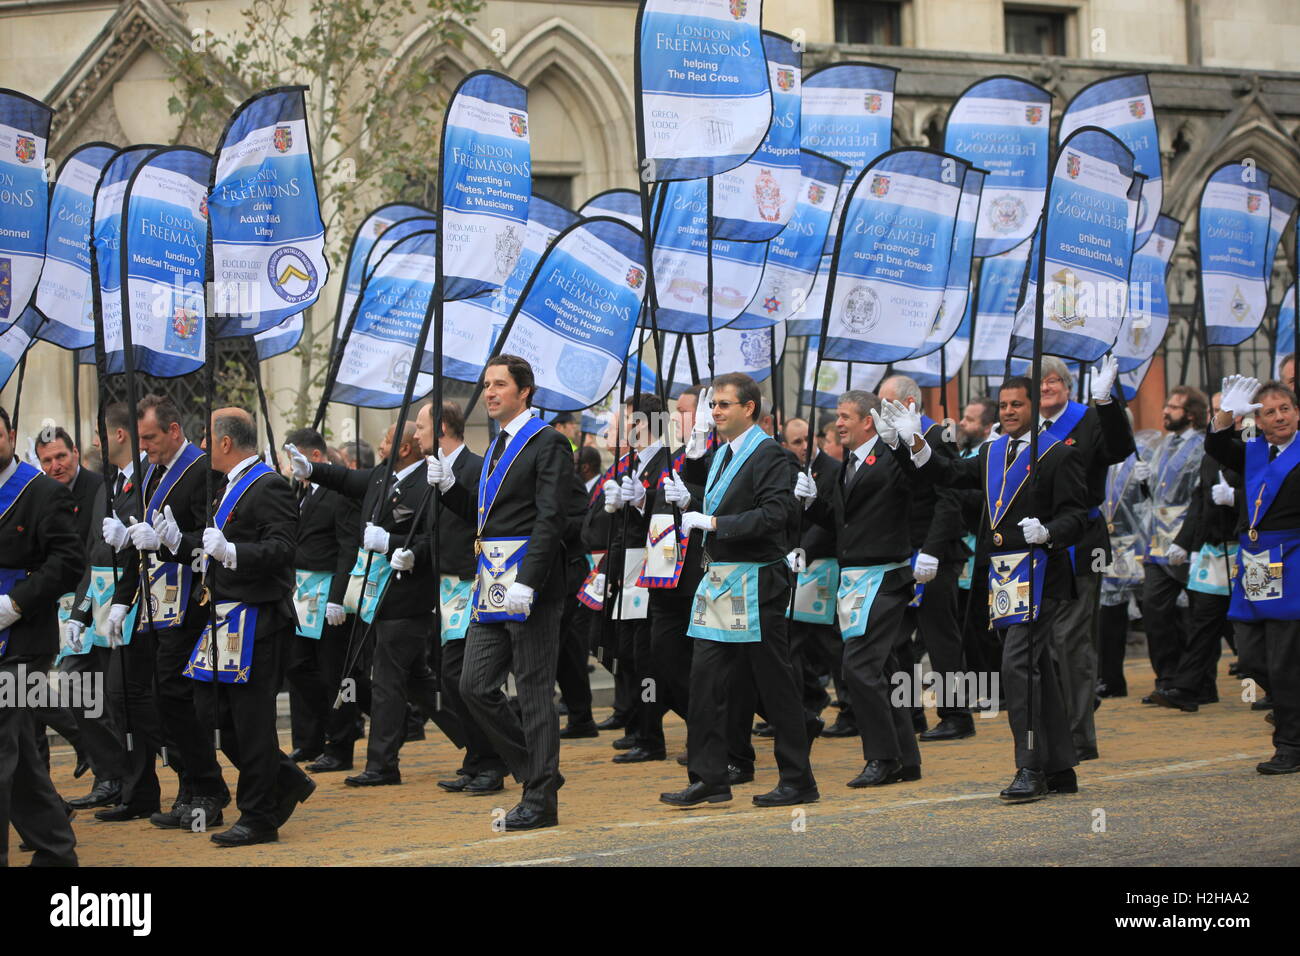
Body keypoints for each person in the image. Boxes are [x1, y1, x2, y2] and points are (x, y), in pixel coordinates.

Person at [886, 377, 1088, 802]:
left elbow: (1077, 515)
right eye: (1004, 405)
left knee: (1017, 666)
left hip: (1042, 571)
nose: (1009, 412)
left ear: (1034, 408)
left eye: (1017, 404)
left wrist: (1049, 531)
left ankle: (1029, 766)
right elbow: (948, 474)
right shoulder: (991, 451)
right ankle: (1060, 766)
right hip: (1003, 575)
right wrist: (915, 444)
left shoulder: (1057, 454)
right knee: (1037, 671)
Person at [148, 407, 314, 845]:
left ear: (224, 442)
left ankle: (258, 815)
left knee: (251, 720)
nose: (202, 448)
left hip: (258, 617)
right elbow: (209, 549)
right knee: (211, 711)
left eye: (207, 439)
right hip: (223, 615)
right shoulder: (228, 486)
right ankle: (285, 779)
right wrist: (174, 543)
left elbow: (282, 549)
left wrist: (234, 551)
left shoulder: (268, 485)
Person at [427, 354, 574, 829]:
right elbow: (487, 514)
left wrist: (529, 582)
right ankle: (538, 772)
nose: (489, 393)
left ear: (524, 391)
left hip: (529, 585)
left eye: (499, 385)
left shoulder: (548, 443)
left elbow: (550, 518)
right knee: (473, 684)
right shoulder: (495, 445)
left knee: (533, 691)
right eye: (486, 384)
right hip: (491, 583)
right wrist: (451, 488)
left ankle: (540, 800)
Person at [659, 372, 817, 808]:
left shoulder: (771, 456)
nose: (715, 412)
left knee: (774, 684)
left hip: (758, 582)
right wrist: (690, 496)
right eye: (713, 405)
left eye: (724, 404)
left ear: (749, 408)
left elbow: (775, 515)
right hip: (719, 581)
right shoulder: (721, 455)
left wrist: (712, 523)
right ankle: (710, 775)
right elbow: (720, 502)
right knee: (704, 682)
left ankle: (798, 777)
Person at [287, 417, 460, 786]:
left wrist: (399, 547)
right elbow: (344, 479)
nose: (379, 447)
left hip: (405, 599)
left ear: (402, 449)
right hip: (375, 596)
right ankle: (480, 740)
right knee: (420, 684)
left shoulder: (426, 481)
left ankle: (382, 764)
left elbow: (434, 537)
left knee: (386, 683)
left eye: (384, 441)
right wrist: (312, 469)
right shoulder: (382, 477)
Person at [797, 390, 921, 786]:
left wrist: (905, 442)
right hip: (853, 578)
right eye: (838, 416)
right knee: (881, 668)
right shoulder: (844, 464)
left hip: (884, 575)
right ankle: (905, 757)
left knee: (859, 668)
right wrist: (812, 503)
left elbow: (922, 481)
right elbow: (839, 521)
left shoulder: (889, 457)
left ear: (868, 420)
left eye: (846, 416)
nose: (839, 423)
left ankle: (882, 758)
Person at [120, 394, 230, 830]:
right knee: (157, 699)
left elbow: (212, 545)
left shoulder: (201, 471)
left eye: (150, 437)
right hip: (155, 605)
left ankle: (207, 786)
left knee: (175, 695)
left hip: (191, 605)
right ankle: (189, 782)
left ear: (173, 430)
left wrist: (172, 541)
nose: (144, 445)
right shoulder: (152, 473)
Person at [1036, 355, 1134, 761]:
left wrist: (1106, 403)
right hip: (1038, 543)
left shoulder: (1087, 419)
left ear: (1068, 386)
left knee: (1072, 640)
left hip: (1083, 544)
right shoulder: (1028, 427)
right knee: (1046, 644)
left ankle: (1078, 736)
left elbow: (1119, 447)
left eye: (1053, 381)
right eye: (1039, 384)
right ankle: (1060, 723)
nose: (1046, 388)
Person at [0, 404, 84, 866]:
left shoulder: (41, 493)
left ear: (11, 435)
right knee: (23, 761)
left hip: (23, 639)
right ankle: (56, 851)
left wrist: (15, 603)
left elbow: (68, 564)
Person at [1203, 376, 1300, 774]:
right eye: (1270, 412)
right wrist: (1228, 412)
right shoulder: (1254, 451)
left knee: (1284, 661)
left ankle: (1290, 745)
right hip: (1256, 561)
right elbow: (1215, 446)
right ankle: (1292, 712)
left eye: (1286, 409)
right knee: (1253, 658)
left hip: (1293, 559)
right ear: (1258, 420)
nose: (1279, 417)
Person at [414, 401, 508, 795]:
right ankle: (477, 758)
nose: (415, 434)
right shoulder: (430, 471)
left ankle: (495, 759)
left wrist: (451, 488)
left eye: (420, 427)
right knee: (451, 679)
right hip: (445, 587)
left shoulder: (476, 465)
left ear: (441, 428)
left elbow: (481, 515)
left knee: (466, 676)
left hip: (473, 583)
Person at [880, 374, 972, 741]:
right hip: (905, 549)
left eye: (889, 405)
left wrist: (932, 552)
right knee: (898, 637)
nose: (883, 412)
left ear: (910, 405)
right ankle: (910, 712)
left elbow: (950, 497)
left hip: (937, 553)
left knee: (939, 636)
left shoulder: (936, 437)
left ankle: (957, 714)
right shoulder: (893, 440)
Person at [43, 421, 129, 813]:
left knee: (119, 695)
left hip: (109, 600)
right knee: (78, 683)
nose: (56, 465)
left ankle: (130, 775)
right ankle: (107, 772)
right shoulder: (40, 493)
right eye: (47, 460)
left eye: (61, 456)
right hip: (68, 606)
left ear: (75, 453)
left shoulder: (100, 487)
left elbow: (94, 554)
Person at [281, 426, 365, 772]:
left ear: (315, 457)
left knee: (335, 674)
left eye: (295, 460)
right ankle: (309, 739)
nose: (291, 468)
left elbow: (347, 546)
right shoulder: (300, 491)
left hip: (329, 593)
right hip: (302, 593)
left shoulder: (338, 492)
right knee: (297, 666)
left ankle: (340, 742)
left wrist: (338, 596)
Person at [600, 393, 674, 763]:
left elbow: (666, 520)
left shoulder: (667, 463)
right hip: (630, 571)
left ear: (647, 424)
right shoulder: (634, 464)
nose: (626, 429)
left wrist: (644, 501)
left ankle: (651, 735)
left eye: (632, 421)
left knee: (646, 659)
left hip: (654, 570)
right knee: (628, 653)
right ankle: (638, 725)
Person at [1135, 387, 1207, 700]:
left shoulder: (1202, 445)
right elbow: (1155, 493)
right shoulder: (1163, 444)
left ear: (1190, 413)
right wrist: (1143, 480)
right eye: (1165, 405)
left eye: (1174, 407)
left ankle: (1200, 682)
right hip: (1157, 538)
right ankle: (1166, 676)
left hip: (1186, 537)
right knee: (1155, 608)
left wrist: (1188, 539)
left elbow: (1197, 494)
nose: (1166, 411)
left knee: (1196, 613)